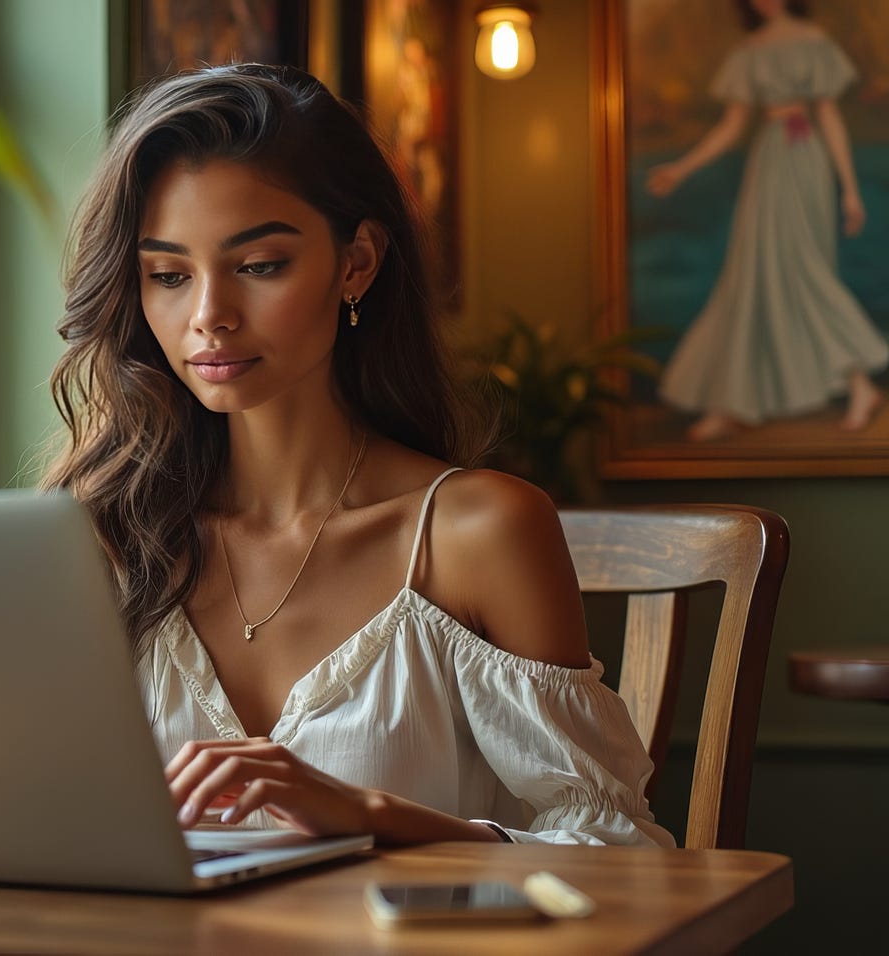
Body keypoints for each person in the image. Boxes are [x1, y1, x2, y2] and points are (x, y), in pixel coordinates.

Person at [43, 63, 673, 847]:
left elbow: (617, 849)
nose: (209, 316)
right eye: (168, 275)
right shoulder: (102, 536)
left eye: (258, 266)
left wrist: (373, 818)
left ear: (357, 263)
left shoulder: (477, 533)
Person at [647, 0, 887, 442]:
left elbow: (829, 117)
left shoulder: (813, 41)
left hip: (806, 159)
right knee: (753, 276)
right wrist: (680, 168)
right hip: (769, 162)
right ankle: (733, 402)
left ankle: (859, 384)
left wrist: (850, 189)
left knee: (802, 273)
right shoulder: (750, 50)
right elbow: (730, 127)